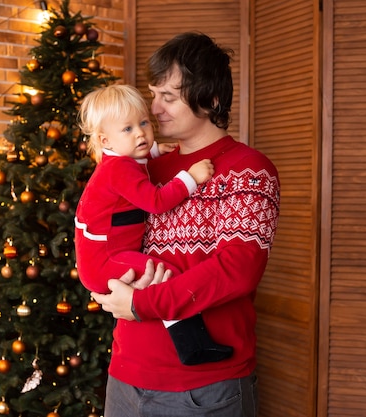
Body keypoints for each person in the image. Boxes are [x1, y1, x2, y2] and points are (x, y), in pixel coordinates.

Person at [90, 32, 280, 417]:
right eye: (153, 94)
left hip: (204, 388)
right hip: (126, 377)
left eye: (169, 97)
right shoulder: (144, 172)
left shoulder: (250, 172)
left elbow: (237, 271)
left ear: (210, 100)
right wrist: (104, 288)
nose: (154, 108)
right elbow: (107, 239)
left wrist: (141, 303)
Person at [75, 84, 233, 366]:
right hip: (105, 261)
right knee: (164, 272)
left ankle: (191, 342)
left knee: (158, 276)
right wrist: (190, 177)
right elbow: (156, 202)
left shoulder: (122, 161)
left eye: (144, 122)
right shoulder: (118, 170)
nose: (140, 133)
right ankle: (192, 345)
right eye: (127, 129)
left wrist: (157, 150)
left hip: (103, 256)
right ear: (104, 140)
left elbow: (138, 161)